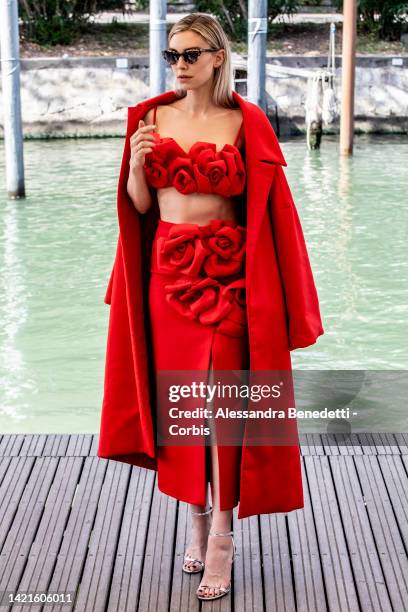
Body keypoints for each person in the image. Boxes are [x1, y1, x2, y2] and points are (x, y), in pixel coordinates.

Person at [98, 12, 324, 603]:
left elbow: (270, 214)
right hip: (167, 278)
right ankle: (194, 521)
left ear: (219, 57)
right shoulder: (149, 117)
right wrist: (136, 171)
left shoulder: (245, 122)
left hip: (228, 280)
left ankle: (222, 535)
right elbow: (141, 206)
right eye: (173, 54)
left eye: (191, 54)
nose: (179, 64)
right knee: (182, 410)